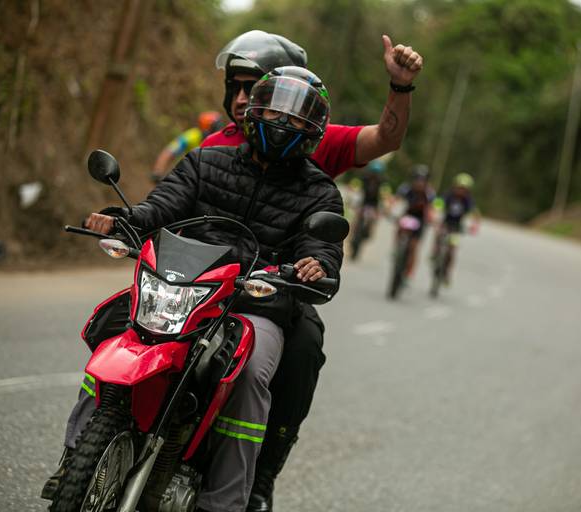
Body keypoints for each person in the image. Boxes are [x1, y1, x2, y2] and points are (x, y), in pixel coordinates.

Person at [56, 67, 344, 512]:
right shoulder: (204, 162)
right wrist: (122, 220)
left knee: (250, 373)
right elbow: (159, 208)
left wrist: (315, 265)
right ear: (253, 110)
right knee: (114, 336)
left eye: (296, 117)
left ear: (314, 130)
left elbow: (321, 248)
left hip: (254, 305)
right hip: (183, 289)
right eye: (273, 110)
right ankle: (74, 458)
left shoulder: (319, 192)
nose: (282, 122)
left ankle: (224, 501)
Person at [199, 30, 423, 512]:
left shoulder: (316, 140)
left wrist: (400, 87)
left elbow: (386, 137)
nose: (242, 98)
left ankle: (262, 477)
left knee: (303, 350)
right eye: (235, 87)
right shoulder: (213, 147)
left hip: (277, 287)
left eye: (253, 87)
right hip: (207, 282)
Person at [150, 111, 224, 181]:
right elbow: (169, 151)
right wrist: (157, 172)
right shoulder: (193, 136)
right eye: (216, 127)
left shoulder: (221, 139)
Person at [433, 172, 476, 284]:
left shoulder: (468, 200)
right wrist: (435, 213)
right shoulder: (448, 195)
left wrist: (473, 225)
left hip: (456, 227)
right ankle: (435, 253)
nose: (461, 191)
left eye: (464, 189)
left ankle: (447, 272)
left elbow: (473, 213)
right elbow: (438, 203)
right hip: (445, 223)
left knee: (452, 250)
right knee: (438, 235)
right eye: (459, 187)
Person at [394, 164, 436, 279]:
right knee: (399, 228)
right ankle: (397, 249)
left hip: (420, 219)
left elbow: (431, 208)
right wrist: (390, 208)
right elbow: (396, 199)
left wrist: (431, 218)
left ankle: (409, 272)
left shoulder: (429, 192)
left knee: (413, 247)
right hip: (408, 215)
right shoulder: (406, 188)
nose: (419, 182)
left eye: (422, 180)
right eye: (417, 179)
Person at [349, 159, 386, 260]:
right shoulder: (364, 178)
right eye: (373, 173)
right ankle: (352, 236)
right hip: (363, 204)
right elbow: (355, 187)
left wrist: (384, 207)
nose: (374, 175)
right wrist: (352, 197)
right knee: (356, 221)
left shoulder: (382, 182)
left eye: (376, 173)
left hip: (373, 206)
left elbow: (385, 195)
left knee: (372, 222)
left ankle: (368, 232)